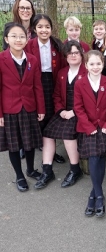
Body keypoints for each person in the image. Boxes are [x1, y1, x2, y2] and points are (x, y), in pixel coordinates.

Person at [34, 41, 86, 189]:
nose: (73, 55)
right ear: (66, 56)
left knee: (67, 134)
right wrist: (61, 111)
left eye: (76, 52)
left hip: (80, 113)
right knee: (47, 133)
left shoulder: (87, 72)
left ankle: (75, 170)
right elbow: (56, 95)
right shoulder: (62, 73)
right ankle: (47, 170)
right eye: (70, 53)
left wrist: (74, 112)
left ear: (81, 54)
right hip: (64, 112)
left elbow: (90, 98)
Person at [0, 23, 45, 192]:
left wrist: (40, 109)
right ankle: (19, 175)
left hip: (29, 108)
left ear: (27, 39)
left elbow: (37, 86)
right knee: (14, 145)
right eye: (14, 36)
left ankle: (31, 169)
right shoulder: (1, 59)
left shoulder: (32, 59)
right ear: (7, 39)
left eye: (22, 36)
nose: (18, 39)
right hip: (9, 109)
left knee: (29, 142)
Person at [74, 50, 106, 218]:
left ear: (103, 64)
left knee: (100, 157)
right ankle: (99, 195)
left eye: (98, 63)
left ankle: (93, 194)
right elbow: (78, 107)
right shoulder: (80, 84)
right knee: (94, 157)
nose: (95, 67)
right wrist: (88, 126)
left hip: (105, 127)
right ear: (86, 65)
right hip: (88, 128)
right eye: (91, 64)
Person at [25, 14, 66, 164]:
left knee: (50, 115)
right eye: (40, 27)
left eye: (47, 27)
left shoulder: (56, 45)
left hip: (52, 81)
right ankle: (35, 145)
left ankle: (51, 150)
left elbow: (62, 66)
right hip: (35, 82)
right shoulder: (29, 45)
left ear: (51, 29)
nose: (44, 30)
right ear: (35, 29)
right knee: (37, 114)